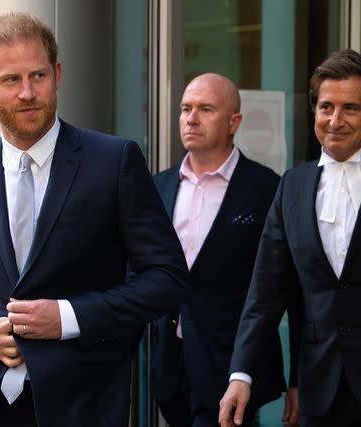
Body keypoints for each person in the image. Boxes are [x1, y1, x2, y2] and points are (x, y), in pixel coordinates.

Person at [0, 12, 189, 427]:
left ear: (58, 75)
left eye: (39, 76)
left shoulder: (113, 161)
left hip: (85, 402)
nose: (29, 92)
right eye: (11, 79)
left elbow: (167, 276)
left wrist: (68, 317)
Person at [219, 48, 361, 427]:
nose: (336, 120)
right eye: (326, 106)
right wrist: (241, 374)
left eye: (351, 108)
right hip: (319, 389)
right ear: (314, 111)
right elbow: (265, 290)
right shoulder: (292, 187)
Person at [150, 73, 299, 427]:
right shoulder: (159, 186)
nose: (191, 118)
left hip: (234, 367)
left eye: (205, 109)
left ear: (234, 122)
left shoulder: (266, 188)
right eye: (186, 108)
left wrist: (298, 379)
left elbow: (288, 287)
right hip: (171, 368)